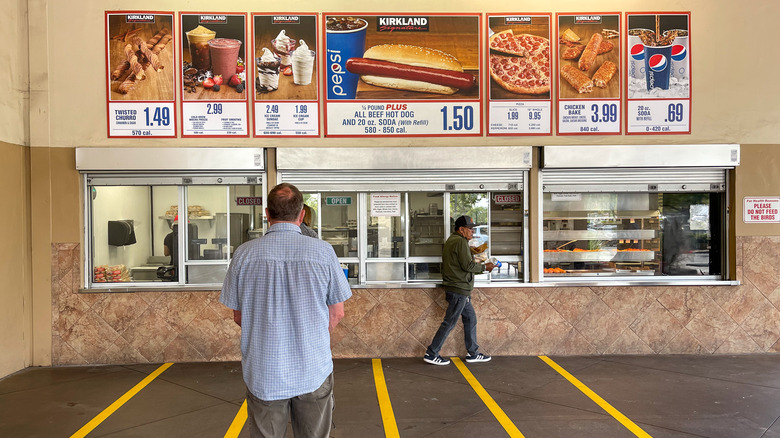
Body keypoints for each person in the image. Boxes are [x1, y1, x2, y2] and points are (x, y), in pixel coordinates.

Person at [220, 183, 352, 438]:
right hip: (313, 369)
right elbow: (337, 313)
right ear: (302, 214)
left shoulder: (244, 254)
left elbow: (238, 316)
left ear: (267, 214)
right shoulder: (323, 252)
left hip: (264, 371)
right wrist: (309, 334)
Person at [423, 215, 495, 366]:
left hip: (459, 289)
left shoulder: (454, 240)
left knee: (470, 318)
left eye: (473, 229)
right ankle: (431, 353)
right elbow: (467, 266)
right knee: (449, 322)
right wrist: (485, 267)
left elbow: (461, 262)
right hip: (459, 289)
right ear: (461, 229)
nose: (472, 232)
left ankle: (473, 353)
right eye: (470, 229)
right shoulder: (460, 242)